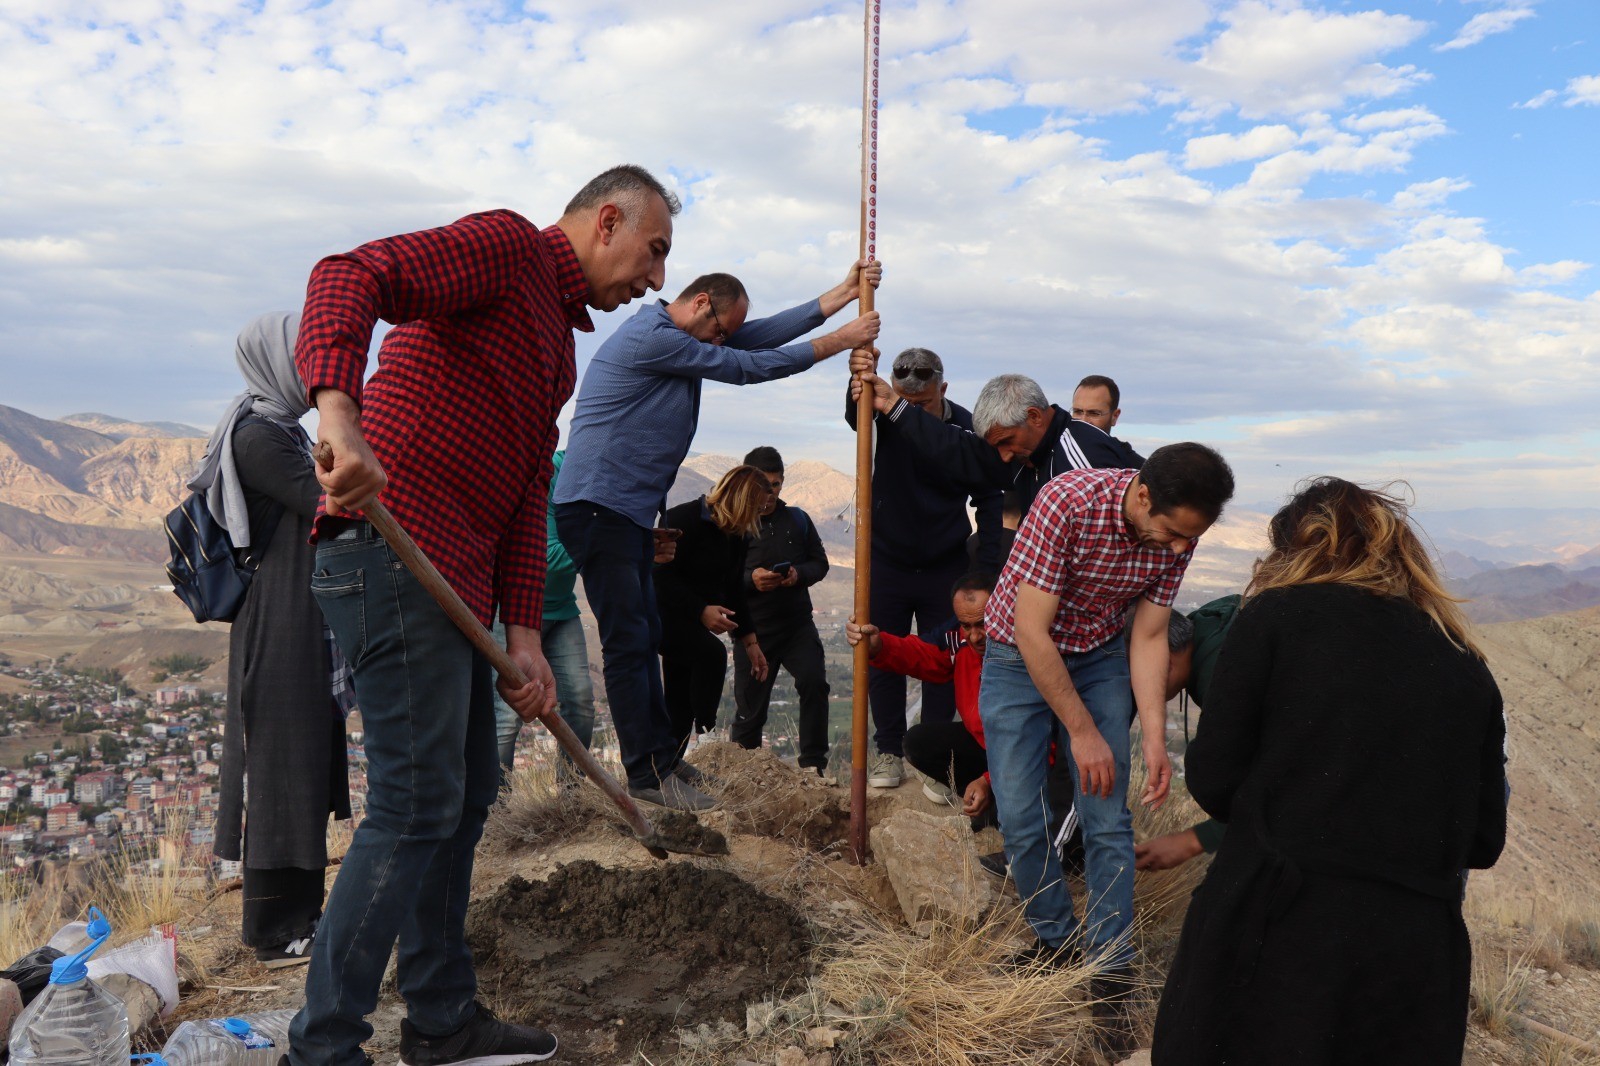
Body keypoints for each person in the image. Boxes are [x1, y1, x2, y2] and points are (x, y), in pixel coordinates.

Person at [290, 164, 681, 1066]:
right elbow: (349, 275)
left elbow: (523, 489)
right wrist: (340, 415)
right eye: (654, 252)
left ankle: (440, 1018)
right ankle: (321, 1049)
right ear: (608, 220)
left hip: (456, 586)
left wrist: (523, 636)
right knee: (416, 802)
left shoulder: (559, 341)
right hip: (388, 554)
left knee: (462, 801)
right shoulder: (506, 249)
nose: (654, 279)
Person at [1151, 478, 1507, 1065]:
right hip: (1415, 956)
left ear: (1296, 549)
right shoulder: (1467, 665)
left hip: (1277, 931)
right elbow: (1482, 840)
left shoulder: (1273, 618)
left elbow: (1214, 778)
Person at [555, 261, 881, 812]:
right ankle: (647, 775)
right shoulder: (653, 338)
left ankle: (661, 757)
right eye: (721, 331)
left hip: (623, 514)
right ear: (701, 302)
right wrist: (839, 341)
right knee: (630, 642)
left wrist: (841, 295)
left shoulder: (684, 335)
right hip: (597, 510)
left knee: (648, 631)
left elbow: (757, 339)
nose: (723, 343)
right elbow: (751, 367)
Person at [980, 442, 1234, 1055]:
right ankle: (1055, 940)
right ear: (1143, 496)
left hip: (1098, 656)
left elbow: (1148, 634)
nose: (1178, 549)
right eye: (1172, 534)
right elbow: (1030, 631)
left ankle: (1110, 967)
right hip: (1019, 657)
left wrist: (1151, 734)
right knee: (1018, 809)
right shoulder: (1066, 503)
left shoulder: (1178, 528)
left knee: (1106, 815)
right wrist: (1084, 731)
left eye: (1188, 539)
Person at [200, 312, 351, 970]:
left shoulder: (279, 429)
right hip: (278, 621)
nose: (315, 370)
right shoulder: (260, 437)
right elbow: (328, 502)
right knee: (281, 769)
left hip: (297, 617)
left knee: (304, 762)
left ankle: (302, 918)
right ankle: (272, 928)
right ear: (278, 361)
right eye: (306, 357)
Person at [844, 347, 1004, 789]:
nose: (907, 413)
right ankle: (889, 751)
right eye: (901, 401)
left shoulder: (965, 429)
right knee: (881, 653)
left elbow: (990, 496)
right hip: (887, 560)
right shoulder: (882, 415)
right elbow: (855, 417)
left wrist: (988, 569)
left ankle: (937, 761)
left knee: (946, 657)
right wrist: (856, 382)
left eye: (922, 405)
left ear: (944, 390)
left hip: (945, 563)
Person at [849, 367, 1145, 514]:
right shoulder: (1025, 452)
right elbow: (958, 447)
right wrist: (892, 405)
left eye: (1006, 442)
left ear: (1034, 417)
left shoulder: (1083, 461)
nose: (1003, 456)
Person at [654, 466, 772, 764]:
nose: (757, 517)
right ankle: (707, 733)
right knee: (711, 654)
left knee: (679, 701)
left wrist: (750, 640)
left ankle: (666, 768)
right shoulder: (684, 519)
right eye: (755, 508)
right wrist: (701, 610)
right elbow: (661, 577)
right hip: (661, 615)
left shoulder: (737, 534)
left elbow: (733, 588)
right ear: (741, 501)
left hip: (690, 621)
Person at [491, 449, 595, 786]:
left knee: (579, 701)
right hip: (514, 613)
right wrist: (606, 540)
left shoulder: (603, 492)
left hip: (562, 608)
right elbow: (545, 556)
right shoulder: (553, 473)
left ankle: (571, 793)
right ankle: (497, 813)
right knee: (507, 717)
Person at [730, 447, 832, 775]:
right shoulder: (734, 525)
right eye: (763, 485)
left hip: (796, 626)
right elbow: (720, 579)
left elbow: (820, 563)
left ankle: (813, 766)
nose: (769, 493)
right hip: (753, 632)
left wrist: (796, 575)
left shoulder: (797, 520)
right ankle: (745, 776)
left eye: (775, 485)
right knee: (750, 711)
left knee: (814, 683)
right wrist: (751, 580)